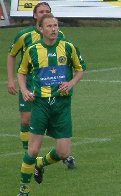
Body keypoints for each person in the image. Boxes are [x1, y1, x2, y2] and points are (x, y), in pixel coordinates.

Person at [16, 13, 86, 196]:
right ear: (40, 29)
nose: (54, 29)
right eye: (49, 26)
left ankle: (40, 163)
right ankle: (24, 189)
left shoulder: (68, 47)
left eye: (55, 25)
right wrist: (24, 90)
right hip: (41, 105)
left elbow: (80, 69)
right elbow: (22, 72)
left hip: (62, 106)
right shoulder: (32, 50)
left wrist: (71, 83)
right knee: (32, 149)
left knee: (63, 152)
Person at [7, 2, 76, 169]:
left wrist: (69, 81)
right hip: (30, 84)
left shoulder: (60, 37)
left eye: (47, 11)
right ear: (35, 16)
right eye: (41, 12)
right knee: (26, 118)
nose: (44, 13)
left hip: (53, 90)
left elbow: (66, 57)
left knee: (56, 123)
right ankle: (29, 155)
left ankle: (55, 156)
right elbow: (12, 55)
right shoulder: (24, 35)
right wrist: (11, 80)